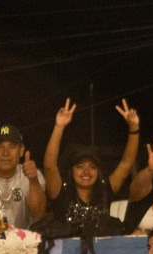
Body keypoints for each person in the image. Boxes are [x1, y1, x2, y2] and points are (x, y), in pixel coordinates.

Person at [40, 99, 141, 238]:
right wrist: (59, 127)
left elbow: (126, 163)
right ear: (72, 170)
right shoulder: (60, 191)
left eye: (92, 167)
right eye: (80, 167)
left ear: (99, 171)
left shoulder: (106, 189)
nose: (86, 172)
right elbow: (50, 166)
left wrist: (134, 129)